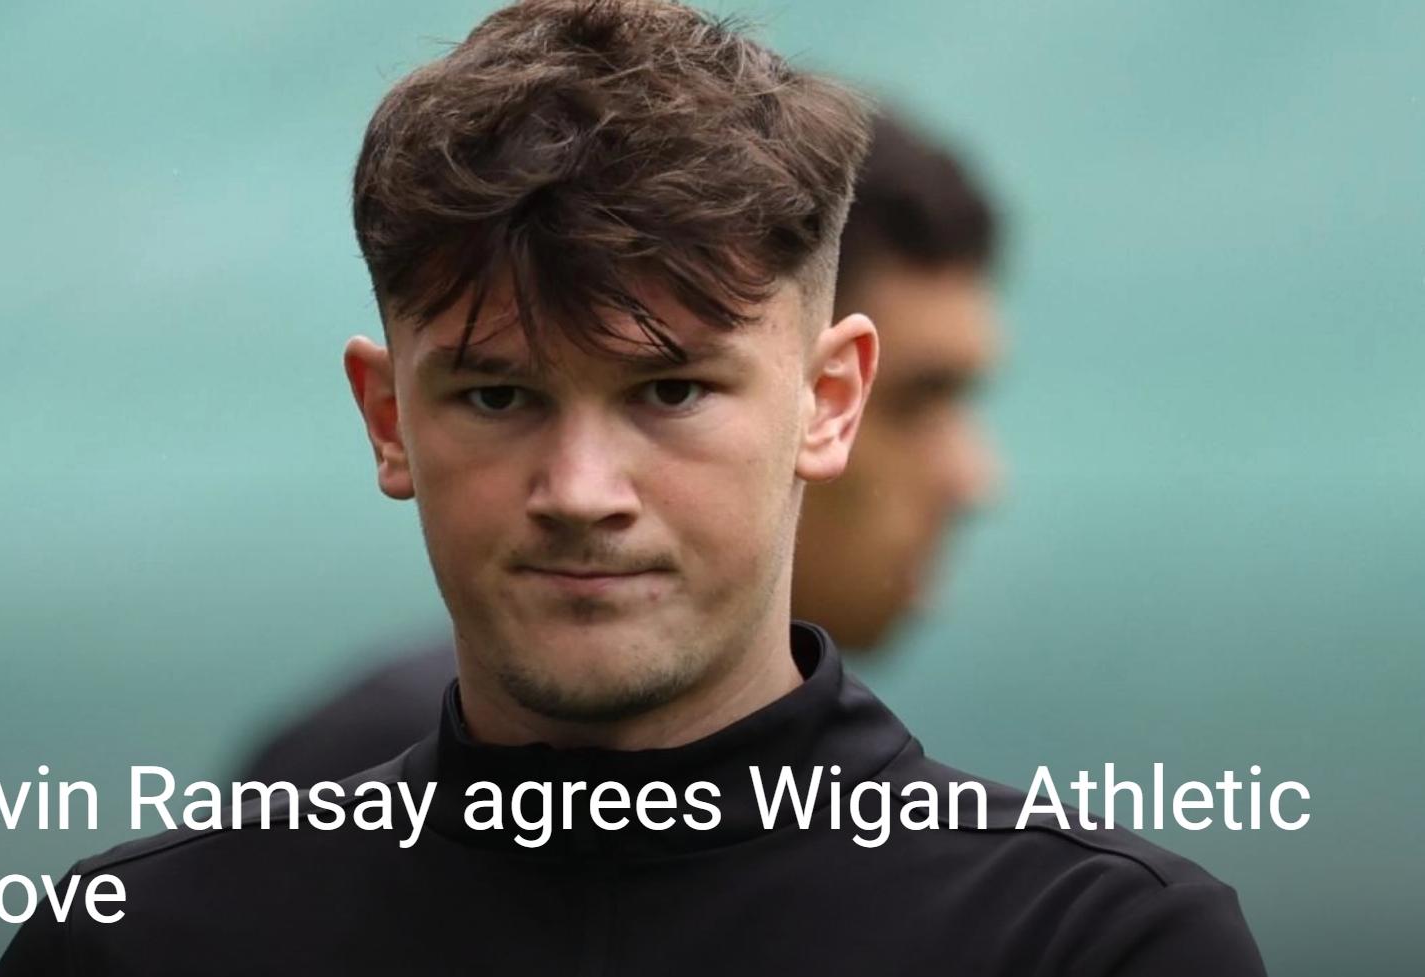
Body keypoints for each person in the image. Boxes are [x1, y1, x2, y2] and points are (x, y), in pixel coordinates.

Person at [0, 2, 1265, 973]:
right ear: (387, 419)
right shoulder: (144, 944)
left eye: (669, 391)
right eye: (499, 395)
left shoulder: (1088, 947)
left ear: (828, 399)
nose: (580, 490)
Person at [238, 109, 1004, 785]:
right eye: (920, 400)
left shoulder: (1008, 877)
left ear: (827, 399)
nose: (974, 480)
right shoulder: (366, 769)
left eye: (670, 391)